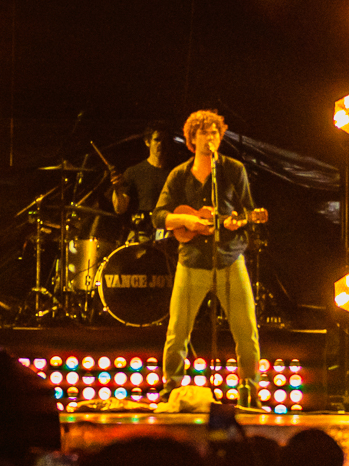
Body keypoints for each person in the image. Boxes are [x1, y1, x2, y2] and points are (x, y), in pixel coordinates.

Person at [152, 110, 266, 408]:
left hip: (230, 258)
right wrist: (187, 222)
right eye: (204, 133)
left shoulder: (233, 169)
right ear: (192, 138)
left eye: (215, 133)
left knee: (246, 328)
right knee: (178, 329)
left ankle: (249, 391)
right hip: (191, 260)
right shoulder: (179, 174)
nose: (211, 138)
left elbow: (248, 211)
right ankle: (171, 388)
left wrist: (237, 222)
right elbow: (159, 216)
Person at [109, 121, 176, 234]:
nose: (161, 144)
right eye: (157, 139)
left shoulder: (175, 173)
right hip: (143, 233)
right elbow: (120, 209)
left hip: (169, 234)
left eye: (165, 140)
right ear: (147, 142)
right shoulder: (134, 172)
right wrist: (118, 189)